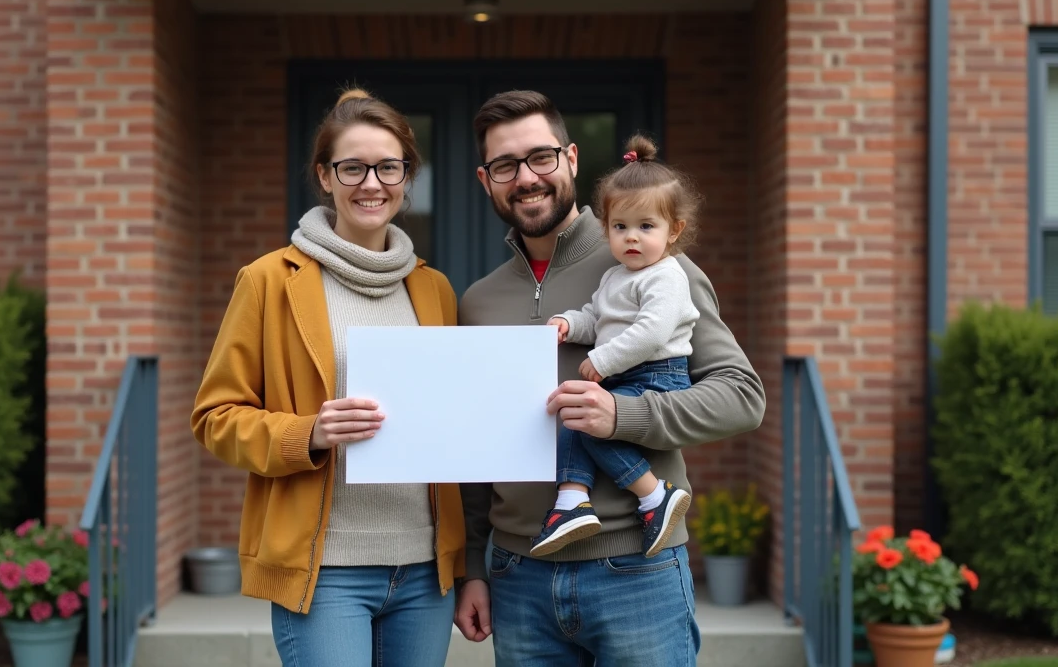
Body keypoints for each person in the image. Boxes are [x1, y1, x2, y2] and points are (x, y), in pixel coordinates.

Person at [454, 90, 765, 667]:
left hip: (636, 572)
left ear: (571, 158)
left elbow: (742, 397)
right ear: (485, 178)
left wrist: (624, 416)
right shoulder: (478, 301)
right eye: (505, 165)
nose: (526, 177)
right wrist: (473, 568)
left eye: (540, 157)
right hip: (518, 577)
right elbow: (475, 454)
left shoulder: (647, 258)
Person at [191, 88, 465, 667]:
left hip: (424, 570)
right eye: (353, 167)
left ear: (407, 175)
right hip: (325, 572)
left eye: (389, 166)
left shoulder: (433, 288)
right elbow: (215, 417)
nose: (372, 183)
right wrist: (308, 433)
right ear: (325, 176)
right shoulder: (268, 280)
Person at [531, 133, 699, 560]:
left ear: (673, 230)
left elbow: (652, 331)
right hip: (628, 375)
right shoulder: (616, 276)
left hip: (657, 375)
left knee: (591, 424)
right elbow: (600, 317)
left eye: (646, 227)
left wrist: (601, 360)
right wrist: (571, 323)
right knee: (575, 418)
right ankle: (571, 502)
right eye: (620, 227)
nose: (632, 238)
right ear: (606, 229)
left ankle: (654, 495)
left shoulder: (667, 275)